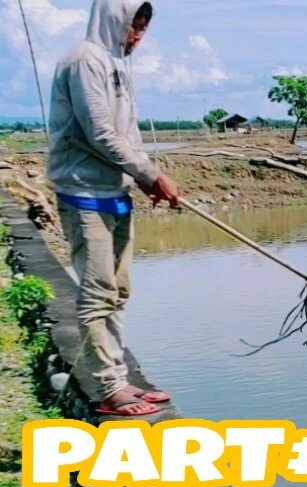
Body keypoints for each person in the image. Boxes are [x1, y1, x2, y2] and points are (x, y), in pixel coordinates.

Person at [47, 0, 181, 417]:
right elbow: (101, 132)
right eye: (132, 27)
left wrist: (145, 176)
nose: (136, 37)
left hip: (115, 190)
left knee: (118, 290)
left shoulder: (116, 64)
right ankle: (109, 389)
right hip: (84, 192)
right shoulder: (85, 62)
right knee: (97, 291)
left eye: (142, 29)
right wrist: (148, 175)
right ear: (113, 19)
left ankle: (119, 379)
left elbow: (130, 133)